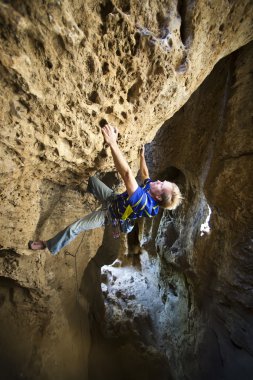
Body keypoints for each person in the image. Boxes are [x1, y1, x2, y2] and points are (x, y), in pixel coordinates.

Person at [28, 124, 182, 256]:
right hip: (114, 199)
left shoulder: (145, 204)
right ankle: (77, 188)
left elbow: (128, 175)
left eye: (162, 185)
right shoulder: (152, 189)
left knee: (75, 227)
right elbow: (145, 175)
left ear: (158, 197)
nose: (160, 181)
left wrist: (112, 143)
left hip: (111, 216)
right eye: (163, 181)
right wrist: (142, 156)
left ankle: (48, 246)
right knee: (92, 180)